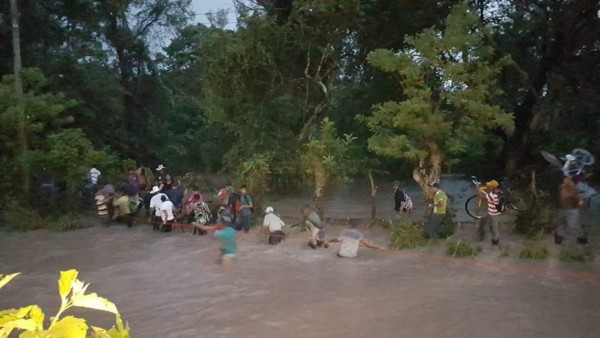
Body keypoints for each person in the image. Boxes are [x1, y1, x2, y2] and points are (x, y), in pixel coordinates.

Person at [555, 176, 587, 245]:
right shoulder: (561, 187)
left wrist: (580, 204)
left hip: (572, 210)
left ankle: (582, 240)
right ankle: (558, 241)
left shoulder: (575, 189)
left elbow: (580, 200)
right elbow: (558, 197)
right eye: (565, 179)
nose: (565, 180)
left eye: (567, 179)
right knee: (561, 225)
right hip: (562, 209)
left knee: (574, 226)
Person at [477, 180, 503, 246]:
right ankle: (484, 237)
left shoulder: (493, 195)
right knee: (488, 225)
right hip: (493, 212)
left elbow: (482, 197)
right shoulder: (499, 192)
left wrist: (477, 188)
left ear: (493, 187)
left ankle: (495, 242)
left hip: (493, 213)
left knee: (494, 227)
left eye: (490, 186)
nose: (489, 187)